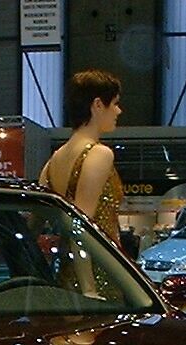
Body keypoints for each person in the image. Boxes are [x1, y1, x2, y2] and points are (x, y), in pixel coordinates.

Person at [38, 69, 124, 241]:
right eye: (115, 103)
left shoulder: (53, 160)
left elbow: (37, 221)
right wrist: (85, 269)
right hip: (95, 264)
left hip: (66, 263)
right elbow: (81, 229)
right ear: (98, 105)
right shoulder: (99, 154)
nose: (119, 111)